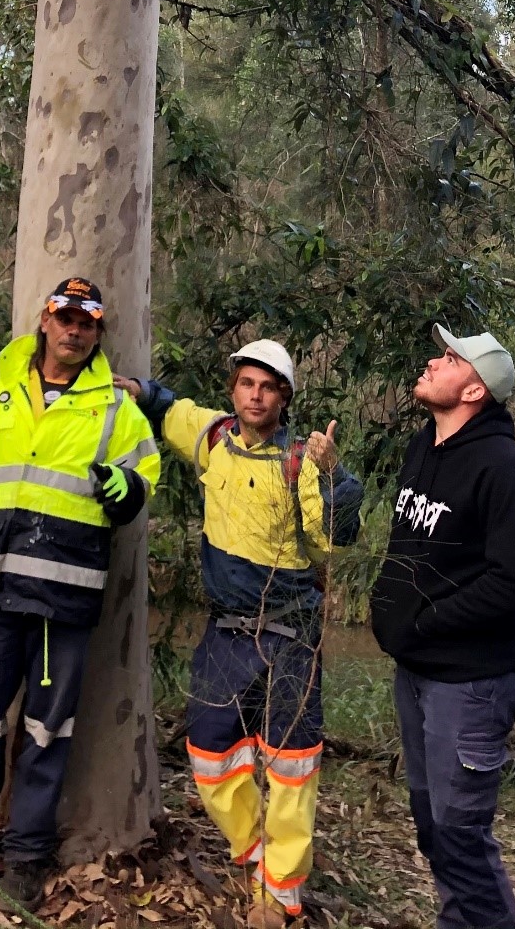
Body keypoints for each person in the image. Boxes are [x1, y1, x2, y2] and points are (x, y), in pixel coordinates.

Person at [0, 278, 159, 909]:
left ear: (98, 332)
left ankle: (26, 853)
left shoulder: (115, 409)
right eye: (65, 317)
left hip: (63, 597)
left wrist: (124, 489)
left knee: (48, 732)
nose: (74, 330)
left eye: (87, 322)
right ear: (45, 321)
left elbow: (144, 479)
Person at [120, 341, 363, 929]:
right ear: (233, 389)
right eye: (247, 384)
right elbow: (169, 409)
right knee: (208, 753)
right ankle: (256, 853)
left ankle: (281, 894)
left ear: (285, 397)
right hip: (226, 632)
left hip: (291, 635)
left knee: (291, 766)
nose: (256, 396)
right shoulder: (212, 438)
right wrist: (138, 391)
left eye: (269, 387)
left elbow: (334, 540)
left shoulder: (301, 458)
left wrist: (334, 475)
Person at [369, 325, 515, 929]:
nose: (434, 363)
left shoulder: (503, 468)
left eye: (449, 358)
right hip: (416, 672)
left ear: (474, 389)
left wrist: (427, 620)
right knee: (433, 831)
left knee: (460, 838)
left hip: (470, 686)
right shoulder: (425, 447)